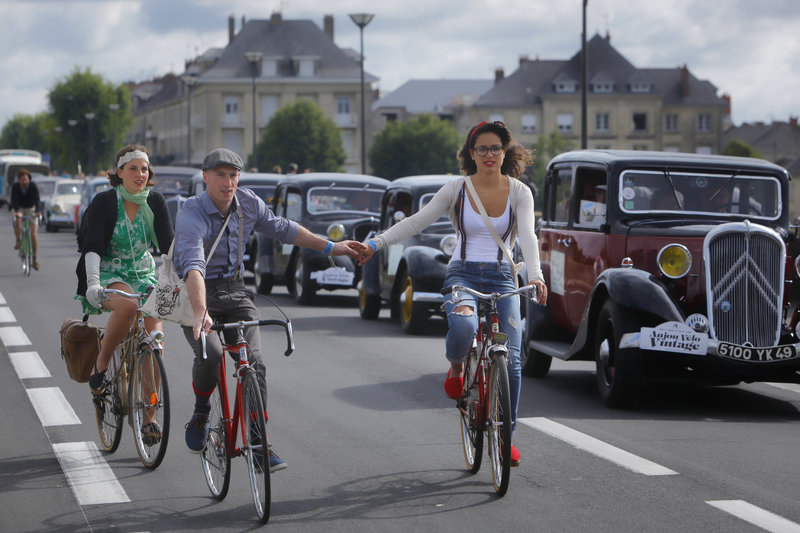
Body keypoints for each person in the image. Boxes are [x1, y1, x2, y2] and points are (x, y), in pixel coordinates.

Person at [358, 121, 548, 467]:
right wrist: (376, 243)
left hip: (504, 276)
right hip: (462, 273)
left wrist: (535, 276)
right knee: (462, 327)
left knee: (515, 359)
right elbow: (417, 222)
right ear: (470, 154)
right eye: (481, 149)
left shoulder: (520, 191)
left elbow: (529, 237)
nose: (489, 155)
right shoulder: (456, 189)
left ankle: (507, 436)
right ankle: (458, 364)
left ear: (505, 152)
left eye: (495, 148)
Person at [174, 148, 365, 469]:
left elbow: (284, 228)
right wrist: (200, 311)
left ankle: (259, 443)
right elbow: (193, 265)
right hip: (196, 292)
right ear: (205, 177)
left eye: (233, 175)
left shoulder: (248, 203)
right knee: (211, 353)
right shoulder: (191, 212)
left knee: (255, 362)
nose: (228, 182)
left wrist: (332, 246)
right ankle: (201, 411)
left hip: (235, 290)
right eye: (220, 174)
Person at [75, 145, 173, 444]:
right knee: (129, 307)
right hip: (108, 272)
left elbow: (170, 248)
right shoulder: (105, 201)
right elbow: (92, 245)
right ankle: (102, 365)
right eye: (133, 168)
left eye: (144, 169)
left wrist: (181, 280)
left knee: (155, 341)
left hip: (144, 273)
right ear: (119, 173)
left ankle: (150, 419)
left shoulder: (155, 201)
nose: (140, 174)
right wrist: (93, 283)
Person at [11, 168, 42, 269]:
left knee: (33, 233)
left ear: (29, 179)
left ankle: (34, 258)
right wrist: (17, 211)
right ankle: (18, 241)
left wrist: (37, 211)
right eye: (22, 180)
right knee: (18, 220)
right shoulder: (15, 187)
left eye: (26, 179)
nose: (24, 182)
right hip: (20, 208)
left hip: (31, 208)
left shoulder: (33, 186)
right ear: (19, 180)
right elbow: (13, 201)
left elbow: (37, 200)